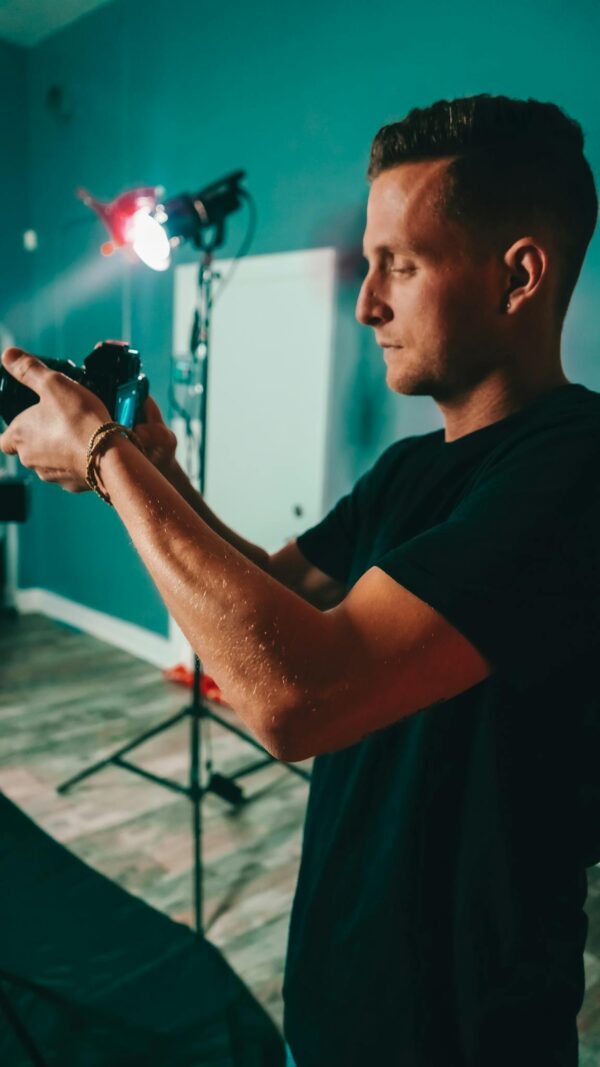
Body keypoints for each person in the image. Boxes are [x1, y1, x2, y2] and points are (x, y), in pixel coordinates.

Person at [1, 93, 599, 1066]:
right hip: (339, 987)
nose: (366, 302)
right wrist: (152, 478)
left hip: (457, 1028)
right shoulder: (412, 469)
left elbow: (297, 698)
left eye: (398, 264)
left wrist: (105, 452)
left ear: (518, 275)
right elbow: (269, 603)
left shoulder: (574, 470)